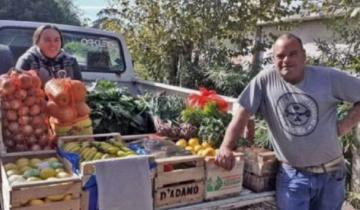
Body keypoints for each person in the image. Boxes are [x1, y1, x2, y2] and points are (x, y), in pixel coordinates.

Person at [215, 33, 360, 210]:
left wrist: (344, 126)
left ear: (304, 55)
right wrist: (226, 146)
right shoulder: (265, 80)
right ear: (273, 59)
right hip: (293, 176)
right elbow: (243, 111)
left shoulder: (328, 78)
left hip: (331, 175)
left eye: (293, 54)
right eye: (280, 56)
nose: (286, 60)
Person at [15, 24, 82, 84]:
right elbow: (17, 92)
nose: (53, 44)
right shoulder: (27, 60)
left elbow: (79, 88)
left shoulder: (71, 61)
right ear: (37, 42)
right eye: (47, 40)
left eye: (56, 40)